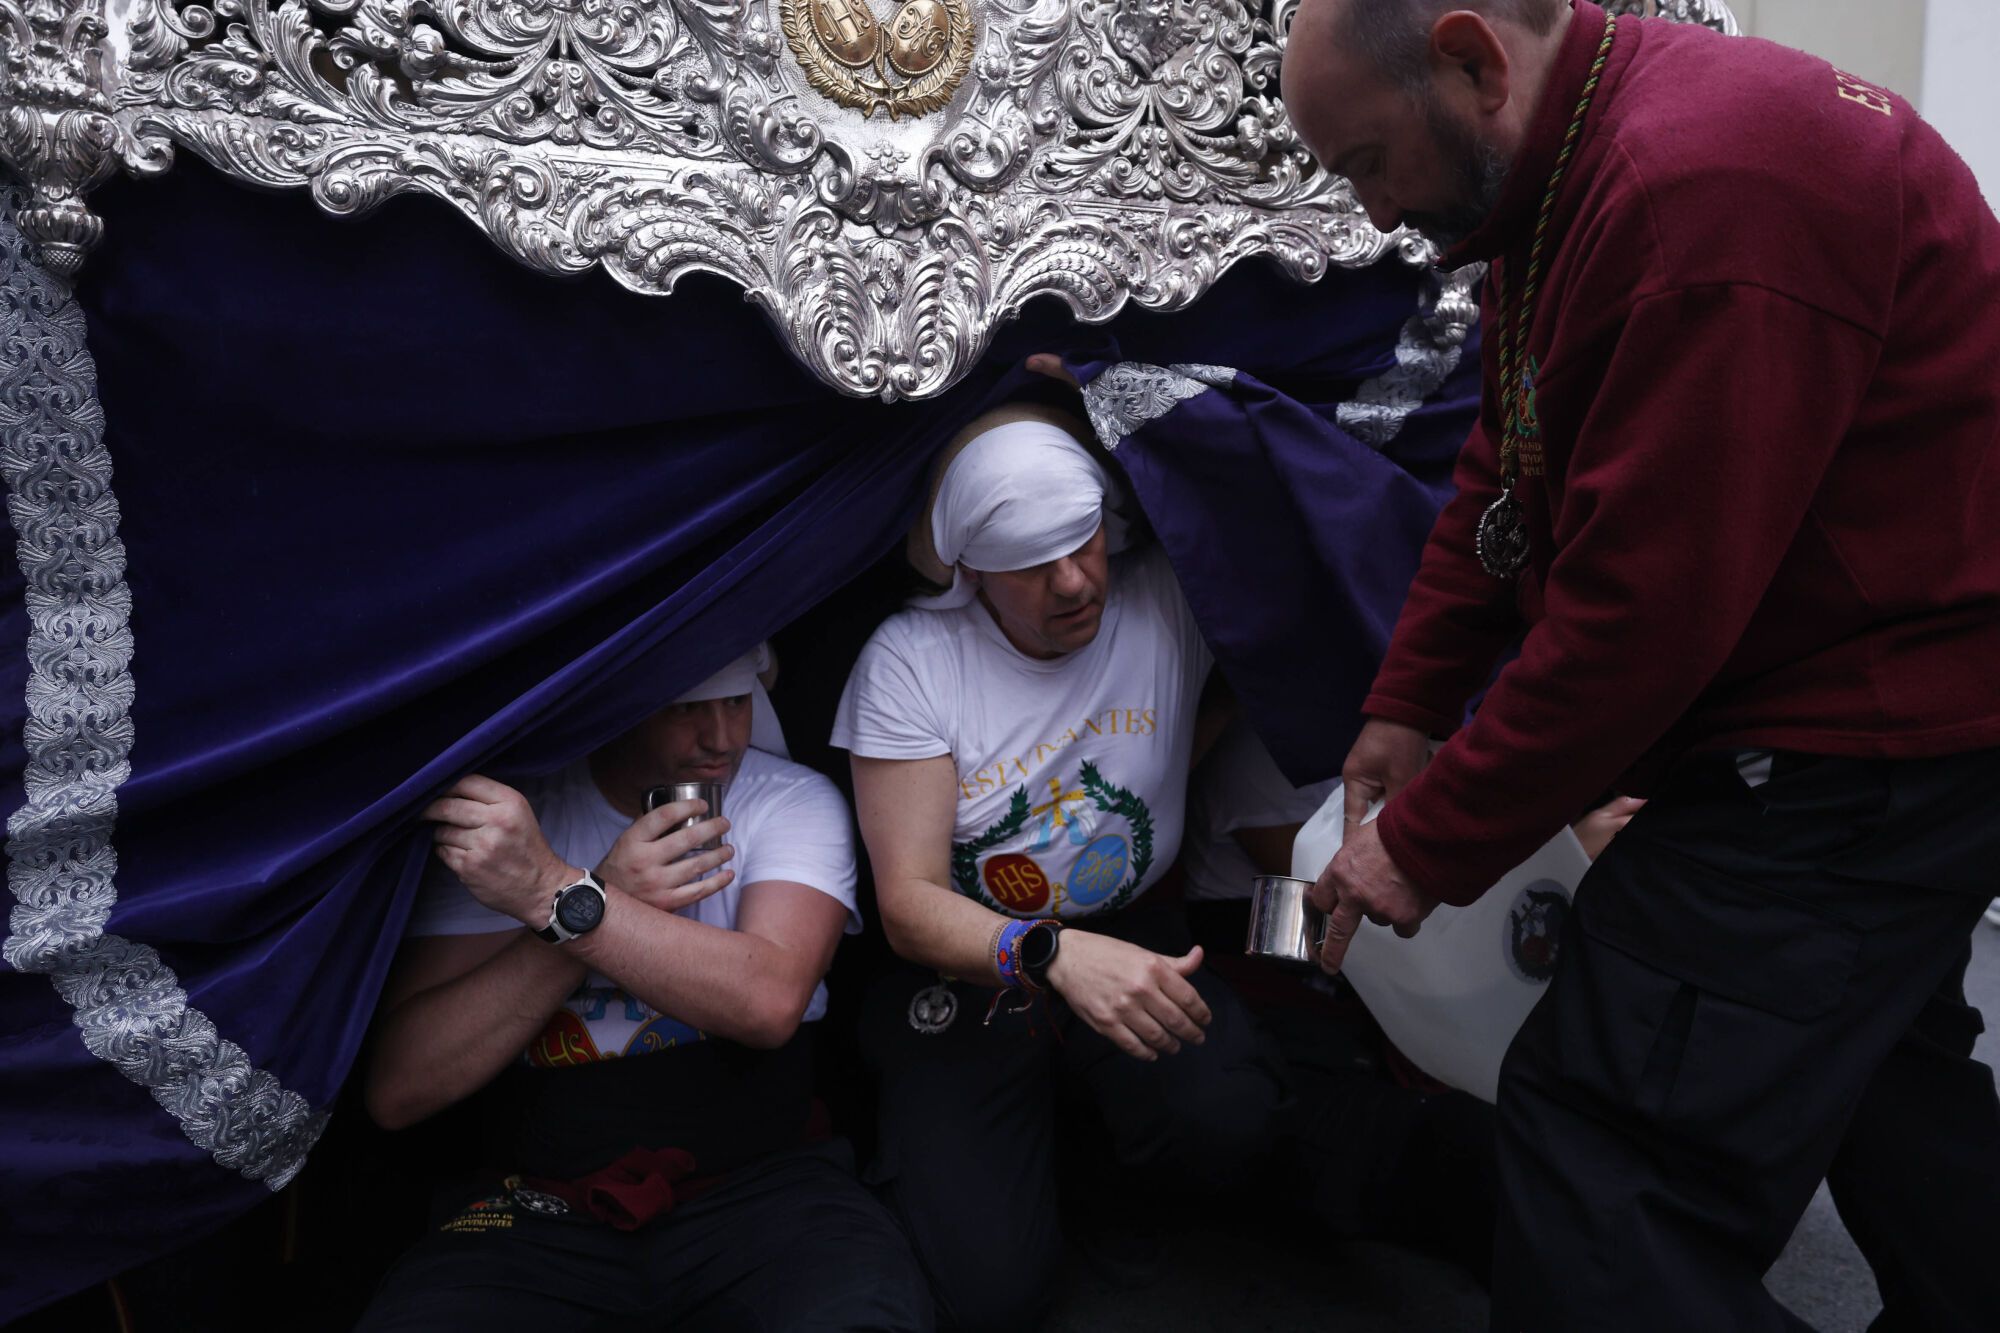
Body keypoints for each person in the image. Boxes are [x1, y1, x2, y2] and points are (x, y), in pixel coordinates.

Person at [1281, 2, 2000, 1329]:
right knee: (1885, 1080)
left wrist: (1421, 843)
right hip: (1887, 718)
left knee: (1609, 1163)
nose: (1374, 212)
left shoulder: (1693, 199)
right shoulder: (1565, 183)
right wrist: (1406, 705)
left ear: (1473, 61)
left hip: (1863, 742)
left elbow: (1639, 621)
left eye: (1368, 161)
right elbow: (1514, 462)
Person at [832, 405, 1284, 1331]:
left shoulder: (1161, 600)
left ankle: (1106, 1176)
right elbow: (911, 904)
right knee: (988, 1292)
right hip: (970, 966)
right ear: (972, 570)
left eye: (1083, 544)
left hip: (1129, 925)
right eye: (1034, 564)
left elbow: (1292, 554)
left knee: (1232, 1112)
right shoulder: (913, 665)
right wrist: (1053, 955)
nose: (1074, 581)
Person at [356, 647, 931, 1331]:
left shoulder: (788, 800)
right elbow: (399, 1088)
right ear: (619, 705)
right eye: (687, 709)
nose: (722, 738)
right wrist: (575, 896)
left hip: (761, 1189)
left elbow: (770, 1001)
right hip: (531, 1207)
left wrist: (564, 898)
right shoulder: (512, 831)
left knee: (865, 1309)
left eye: (738, 702)